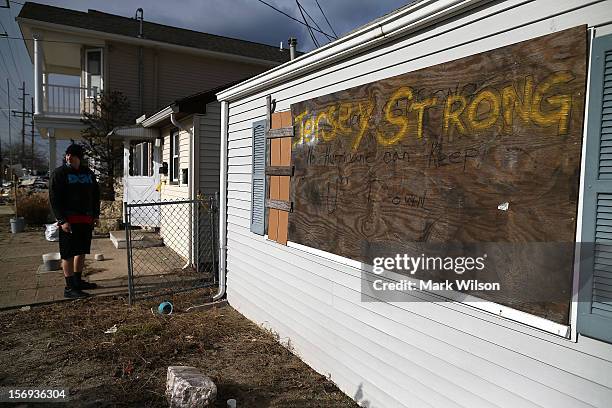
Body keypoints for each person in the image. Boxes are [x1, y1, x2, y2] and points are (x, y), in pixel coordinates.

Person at [49, 144, 100, 298]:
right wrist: (62, 220)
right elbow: (54, 199)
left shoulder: (88, 173)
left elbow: (96, 195)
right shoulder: (59, 173)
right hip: (68, 222)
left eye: (72, 155)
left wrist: (96, 215)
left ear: (79, 157)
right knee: (68, 254)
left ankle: (78, 281)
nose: (68, 157)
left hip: (85, 219)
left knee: (81, 251)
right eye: (67, 154)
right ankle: (70, 288)